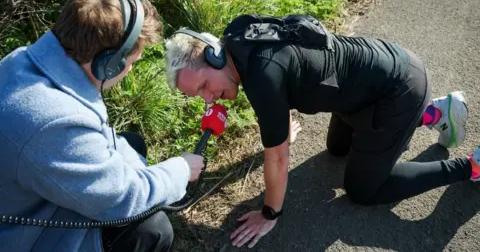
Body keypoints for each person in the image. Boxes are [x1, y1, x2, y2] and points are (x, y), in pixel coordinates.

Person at [164, 14, 477, 249]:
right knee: (337, 149)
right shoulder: (238, 35)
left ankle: (470, 166)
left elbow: (278, 156)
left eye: (204, 85)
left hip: (398, 89)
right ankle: (436, 112)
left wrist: (270, 213)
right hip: (370, 78)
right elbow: (284, 62)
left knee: (363, 190)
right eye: (199, 95)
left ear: (213, 55)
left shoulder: (259, 77)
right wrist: (282, 129)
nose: (208, 98)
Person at [0, 0, 205, 252]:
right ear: (109, 64)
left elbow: (102, 136)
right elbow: (122, 199)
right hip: (29, 236)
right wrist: (180, 170)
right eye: (131, 62)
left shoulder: (27, 62)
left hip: (32, 197)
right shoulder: (55, 122)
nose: (129, 70)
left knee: (132, 144)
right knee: (152, 230)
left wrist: (146, 173)